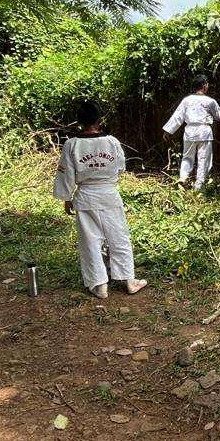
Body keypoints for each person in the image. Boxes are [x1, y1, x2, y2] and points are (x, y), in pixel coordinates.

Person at [53, 103, 148, 299]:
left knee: (90, 242)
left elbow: (66, 174)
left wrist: (67, 197)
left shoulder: (72, 144)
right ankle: (129, 281)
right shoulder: (112, 142)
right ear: (99, 120)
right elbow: (120, 167)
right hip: (109, 195)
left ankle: (99, 285)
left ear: (79, 122)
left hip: (85, 197)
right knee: (119, 238)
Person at [162, 75, 220, 190]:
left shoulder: (187, 100)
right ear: (204, 85)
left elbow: (177, 116)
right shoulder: (210, 101)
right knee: (204, 160)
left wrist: (168, 131)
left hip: (190, 131)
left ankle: (183, 178)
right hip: (204, 132)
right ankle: (199, 186)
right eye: (207, 84)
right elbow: (219, 116)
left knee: (187, 157)